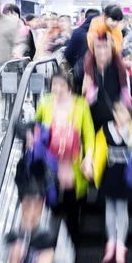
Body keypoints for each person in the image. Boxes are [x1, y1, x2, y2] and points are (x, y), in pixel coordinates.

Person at [35, 74, 94, 243]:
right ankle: (51, 245)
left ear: (69, 86)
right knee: (51, 206)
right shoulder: (45, 103)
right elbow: (37, 127)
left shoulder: (80, 105)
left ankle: (72, 241)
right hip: (50, 164)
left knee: (72, 206)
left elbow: (88, 135)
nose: (57, 89)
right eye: (54, 85)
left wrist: (88, 157)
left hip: (72, 165)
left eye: (61, 85)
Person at [93, 102, 132, 263]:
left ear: (130, 114)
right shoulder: (105, 129)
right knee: (110, 209)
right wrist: (92, 168)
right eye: (117, 112)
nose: (120, 116)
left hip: (125, 175)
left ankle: (121, 244)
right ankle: (111, 242)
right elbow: (98, 151)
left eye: (123, 113)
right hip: (110, 172)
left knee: (121, 209)